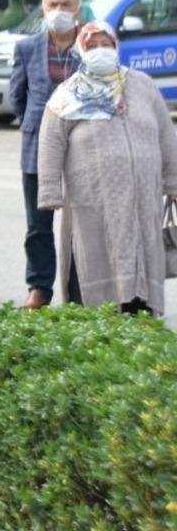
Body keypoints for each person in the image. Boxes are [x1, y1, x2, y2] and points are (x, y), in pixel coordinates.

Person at [37, 21, 177, 316]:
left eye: (106, 45)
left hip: (143, 198)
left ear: (116, 47)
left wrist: (173, 182)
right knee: (95, 252)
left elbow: (166, 133)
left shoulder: (142, 85)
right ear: (81, 51)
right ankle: (97, 319)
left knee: (141, 251)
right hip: (94, 200)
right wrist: (50, 191)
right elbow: (50, 141)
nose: (100, 51)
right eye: (92, 46)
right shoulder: (68, 93)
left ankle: (140, 313)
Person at [9, 0, 84, 309]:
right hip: (36, 148)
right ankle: (39, 287)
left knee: (81, 224)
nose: (59, 11)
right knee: (38, 225)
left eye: (66, 5)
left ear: (78, 9)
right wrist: (38, 125)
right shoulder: (27, 48)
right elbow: (17, 96)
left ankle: (79, 289)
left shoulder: (91, 44)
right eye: (53, 4)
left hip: (82, 148)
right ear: (43, 8)